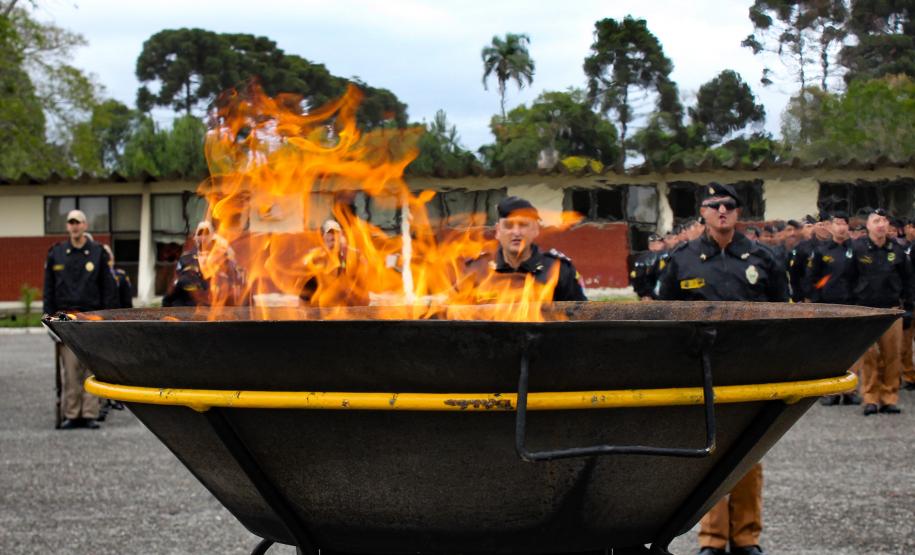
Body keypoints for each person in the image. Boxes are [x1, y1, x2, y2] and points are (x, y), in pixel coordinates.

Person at [658, 183, 787, 555]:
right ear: (702, 211)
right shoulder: (682, 259)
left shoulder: (762, 257)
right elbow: (664, 317)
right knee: (711, 456)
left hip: (752, 372)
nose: (721, 211)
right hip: (702, 371)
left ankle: (746, 538)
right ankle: (713, 540)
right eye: (714, 205)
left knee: (749, 455)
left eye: (728, 205)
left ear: (738, 212)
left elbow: (783, 315)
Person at [43, 209, 117, 430]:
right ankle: (72, 414)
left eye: (78, 222)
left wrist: (108, 319)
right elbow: (49, 290)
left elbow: (108, 289)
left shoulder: (97, 253)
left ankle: (90, 414)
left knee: (90, 368)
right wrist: (48, 320)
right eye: (71, 223)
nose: (74, 226)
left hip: (92, 318)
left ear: (85, 225)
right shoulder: (56, 253)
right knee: (70, 369)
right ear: (67, 227)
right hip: (65, 319)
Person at [848, 208, 913, 415]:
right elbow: (849, 279)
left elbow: (908, 281)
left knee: (892, 355)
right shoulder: (858, 249)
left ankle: (888, 397)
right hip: (865, 312)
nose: (881, 224)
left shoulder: (898, 250)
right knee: (869, 356)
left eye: (884, 220)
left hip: (892, 310)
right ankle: (870, 398)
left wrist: (909, 308)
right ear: (868, 226)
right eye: (876, 220)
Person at [463, 196, 587, 302]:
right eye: (508, 226)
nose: (516, 232)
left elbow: (581, 317)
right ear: (498, 231)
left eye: (523, 225)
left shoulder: (558, 270)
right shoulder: (476, 269)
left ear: (535, 230)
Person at [804, 211, 860, 405]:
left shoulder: (855, 249)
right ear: (831, 226)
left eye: (845, 223)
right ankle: (830, 392)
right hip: (827, 306)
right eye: (837, 223)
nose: (841, 227)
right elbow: (812, 278)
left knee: (851, 349)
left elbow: (860, 277)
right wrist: (816, 301)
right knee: (828, 350)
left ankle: (849, 391)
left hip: (850, 306)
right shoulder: (822, 251)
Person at [163, 221, 240, 307]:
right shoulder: (185, 259)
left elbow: (234, 285)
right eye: (200, 233)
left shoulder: (223, 258)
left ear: (213, 236)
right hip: (189, 309)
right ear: (195, 237)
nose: (203, 236)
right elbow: (175, 287)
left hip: (215, 311)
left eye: (207, 232)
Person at [299, 219, 368, 306]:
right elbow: (305, 278)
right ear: (323, 237)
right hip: (321, 296)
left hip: (345, 297)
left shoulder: (351, 253)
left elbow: (363, 272)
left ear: (341, 235)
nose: (333, 236)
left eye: (336, 233)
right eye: (329, 233)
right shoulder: (316, 255)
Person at [630, 233, 665, 300]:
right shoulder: (646, 258)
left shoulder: (664, 255)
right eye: (659, 243)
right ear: (651, 245)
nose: (663, 244)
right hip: (650, 296)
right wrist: (645, 294)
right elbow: (638, 277)